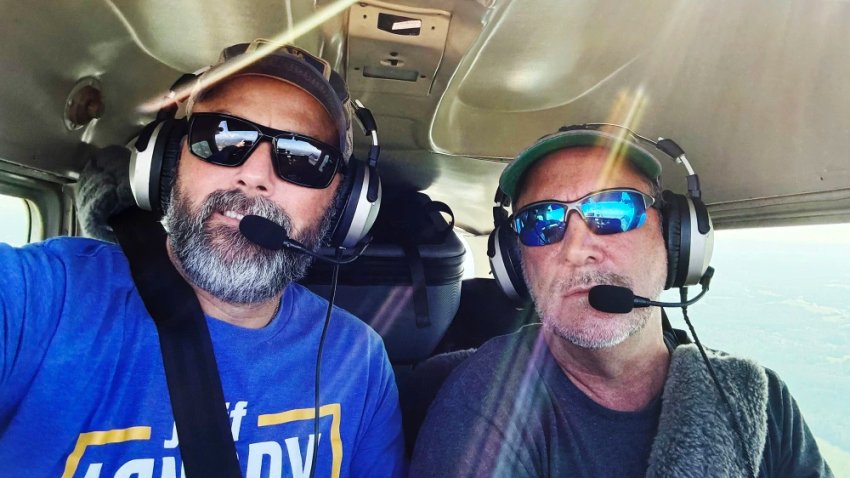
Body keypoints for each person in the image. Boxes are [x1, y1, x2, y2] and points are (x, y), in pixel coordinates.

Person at [0, 41, 405, 477]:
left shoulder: (359, 361)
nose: (255, 174)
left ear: (343, 205)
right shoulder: (44, 299)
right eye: (224, 136)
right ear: (167, 161)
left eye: (303, 157)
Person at [409, 125, 832, 477]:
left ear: (675, 240)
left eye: (612, 210)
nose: (576, 249)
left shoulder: (758, 401)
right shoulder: (486, 403)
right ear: (517, 264)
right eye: (542, 221)